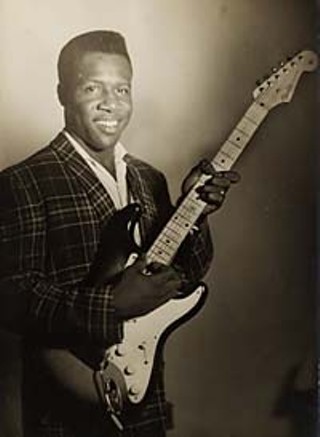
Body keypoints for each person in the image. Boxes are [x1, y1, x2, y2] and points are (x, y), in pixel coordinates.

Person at [0, 30, 239, 437]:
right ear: (62, 93)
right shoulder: (22, 182)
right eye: (92, 87)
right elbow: (11, 296)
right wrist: (112, 303)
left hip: (143, 406)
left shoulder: (150, 179)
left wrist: (194, 213)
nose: (111, 103)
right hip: (67, 412)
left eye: (122, 89)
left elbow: (184, 276)